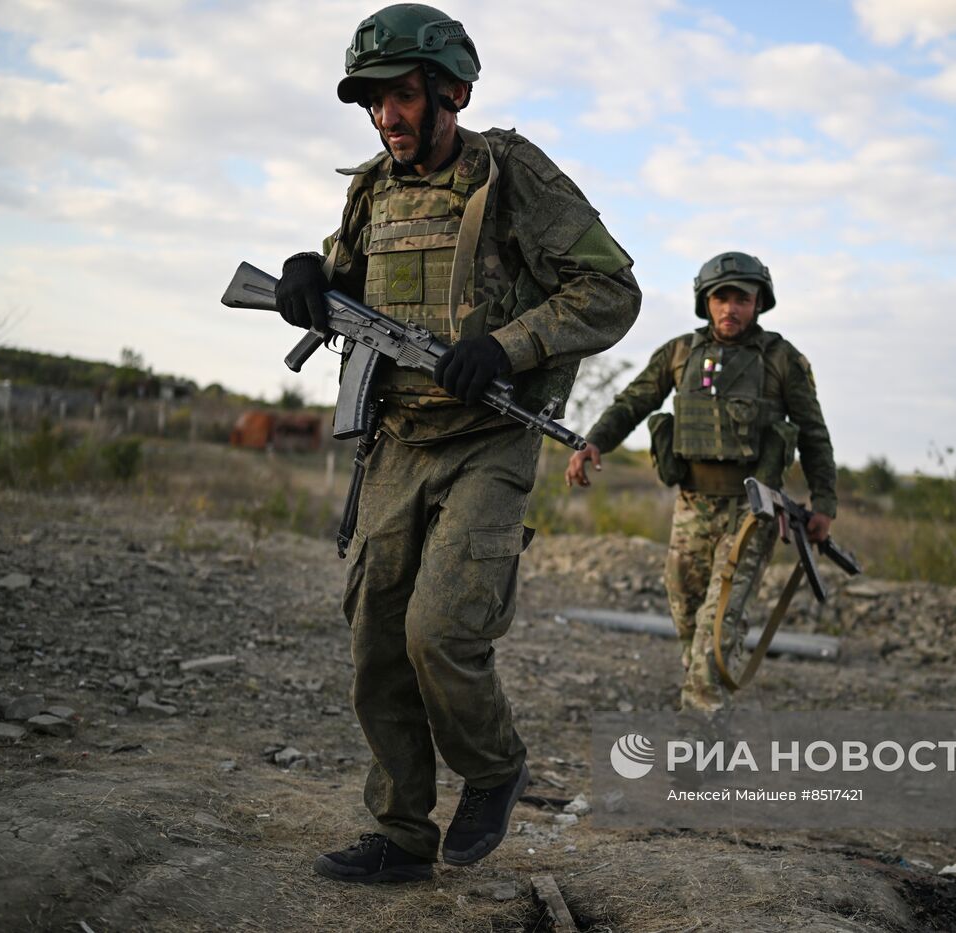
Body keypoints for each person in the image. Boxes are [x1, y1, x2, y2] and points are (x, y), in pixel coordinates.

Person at [274, 3, 640, 884]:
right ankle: (401, 833)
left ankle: (494, 766)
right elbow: (345, 273)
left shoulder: (508, 174)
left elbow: (612, 290)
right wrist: (308, 277)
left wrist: (506, 348)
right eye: (373, 102)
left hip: (488, 439)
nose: (388, 118)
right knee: (376, 638)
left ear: (452, 91)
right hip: (394, 440)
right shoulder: (371, 188)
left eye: (402, 96)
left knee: (440, 631)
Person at [565, 252, 835, 712]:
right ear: (705, 302)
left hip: (753, 512)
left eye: (742, 299)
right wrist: (594, 442)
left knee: (718, 626)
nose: (731, 308)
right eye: (721, 298)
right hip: (691, 506)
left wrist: (824, 502)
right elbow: (634, 402)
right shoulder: (680, 353)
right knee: (689, 621)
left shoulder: (782, 359)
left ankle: (699, 746)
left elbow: (813, 433)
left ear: (759, 303)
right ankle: (708, 715)